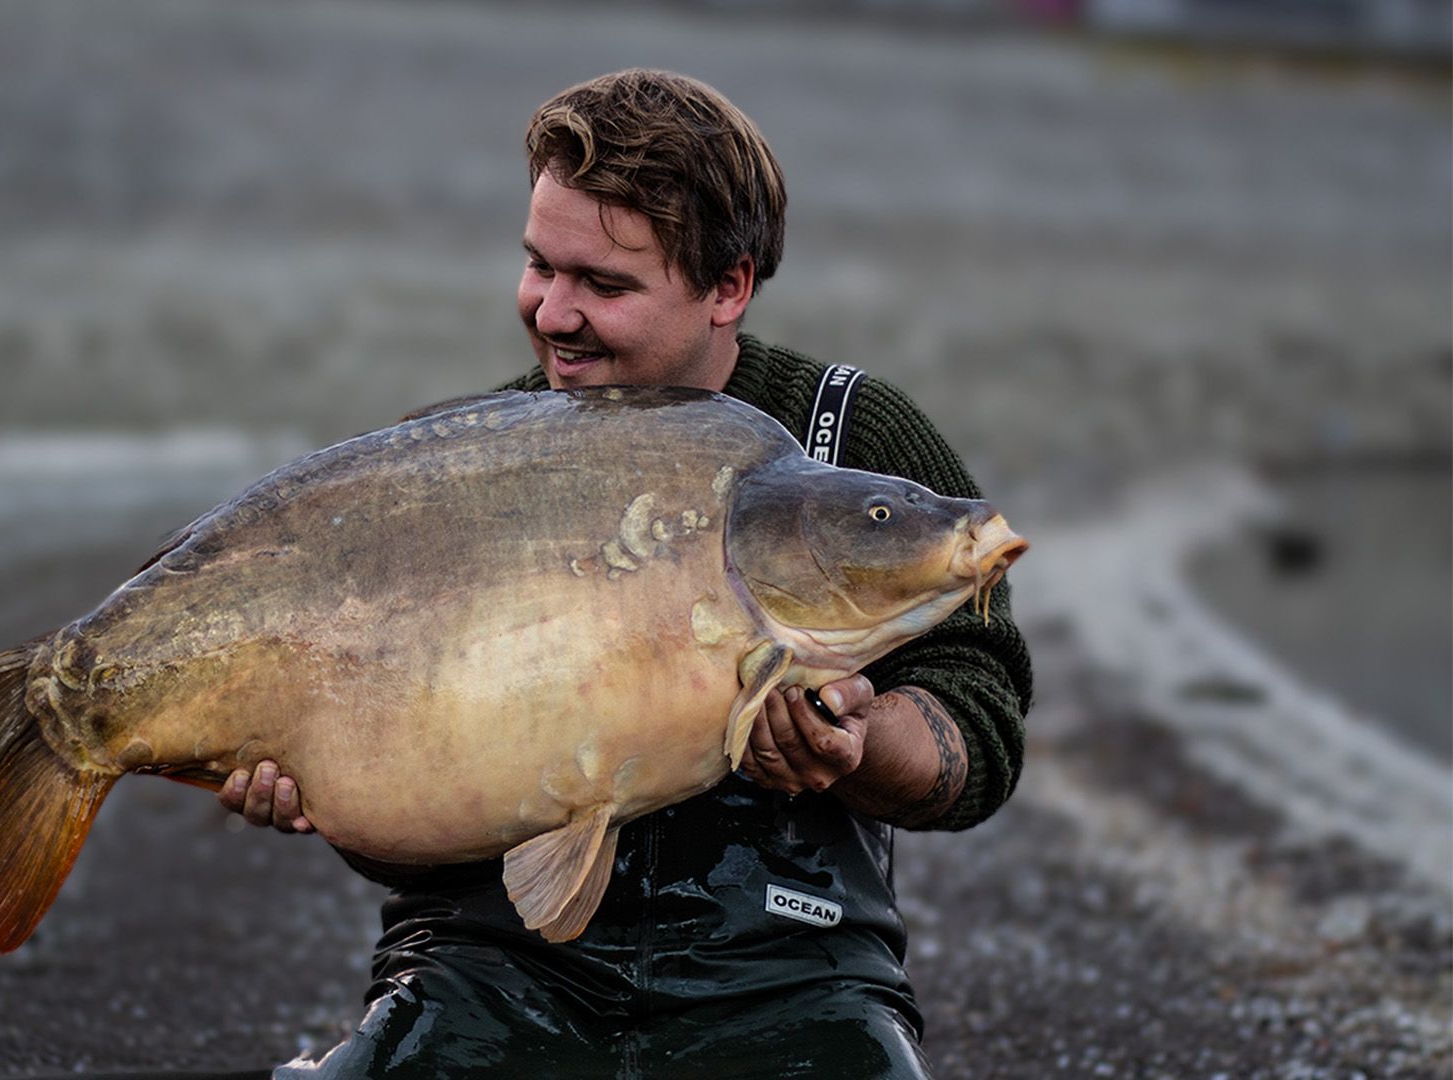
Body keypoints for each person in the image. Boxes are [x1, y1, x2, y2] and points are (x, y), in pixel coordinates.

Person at [220, 69, 1032, 1079]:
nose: (553, 314)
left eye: (603, 285)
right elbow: (407, 819)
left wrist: (865, 745)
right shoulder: (455, 466)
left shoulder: (852, 443)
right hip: (491, 966)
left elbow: (983, 723)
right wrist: (324, 795)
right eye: (538, 267)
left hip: (789, 971)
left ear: (728, 286)